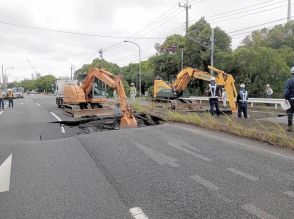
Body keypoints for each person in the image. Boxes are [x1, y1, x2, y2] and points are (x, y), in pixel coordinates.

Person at [284, 67, 294, 132]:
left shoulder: (289, 81)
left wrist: (286, 98)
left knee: (290, 112)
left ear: (292, 73)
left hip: (291, 99)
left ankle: (290, 127)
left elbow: (287, 91)